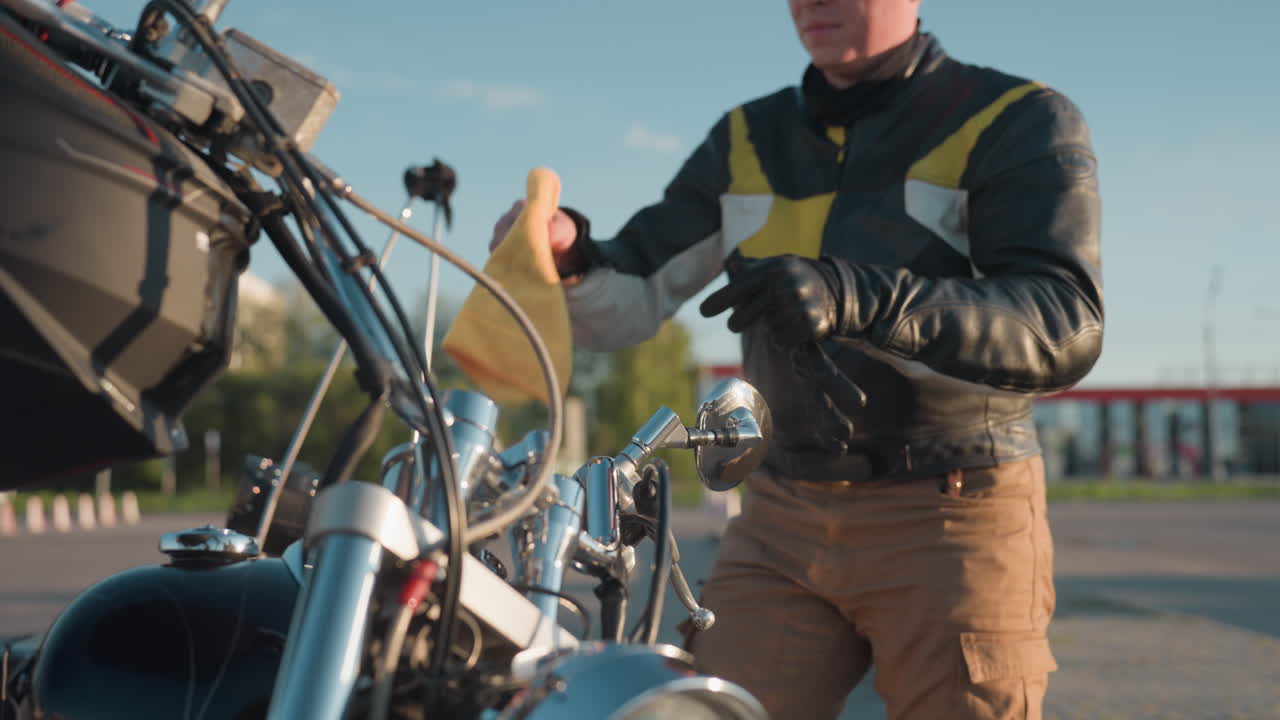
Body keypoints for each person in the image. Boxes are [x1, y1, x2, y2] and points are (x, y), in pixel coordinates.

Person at [491, 0, 1102, 717]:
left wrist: (857, 294)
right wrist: (571, 254)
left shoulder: (1015, 115)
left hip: (955, 509)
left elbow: (1064, 324)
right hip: (781, 516)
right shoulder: (747, 137)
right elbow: (636, 286)